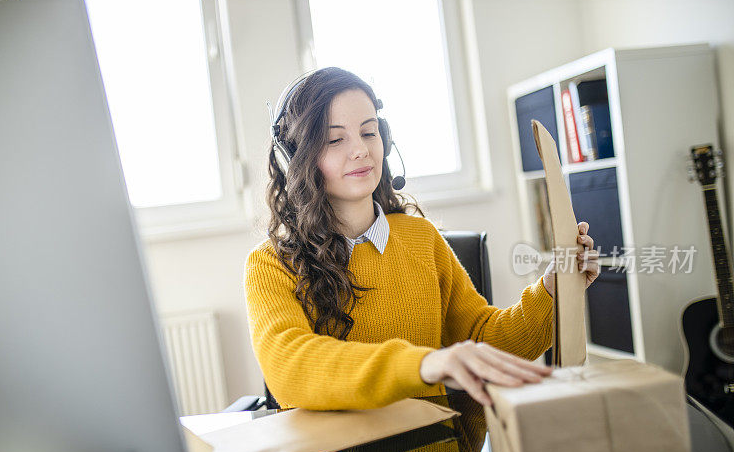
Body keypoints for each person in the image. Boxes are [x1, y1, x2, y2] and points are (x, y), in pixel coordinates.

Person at [245, 67, 599, 411]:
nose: (361, 150)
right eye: (335, 139)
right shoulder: (270, 265)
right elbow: (291, 368)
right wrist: (423, 364)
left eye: (369, 132)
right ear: (293, 158)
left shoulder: (421, 238)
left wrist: (551, 290)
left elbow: (486, 343)